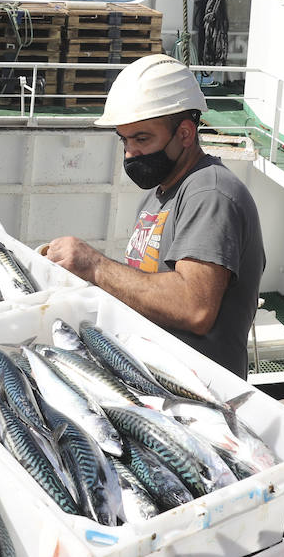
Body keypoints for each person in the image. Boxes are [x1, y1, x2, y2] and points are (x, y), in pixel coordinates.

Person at [42, 54, 265, 379]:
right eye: (125, 140)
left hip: (198, 397)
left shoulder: (209, 194)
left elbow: (194, 307)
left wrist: (95, 266)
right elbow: (145, 283)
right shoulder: (160, 193)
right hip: (153, 380)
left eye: (142, 139)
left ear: (185, 134)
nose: (131, 153)